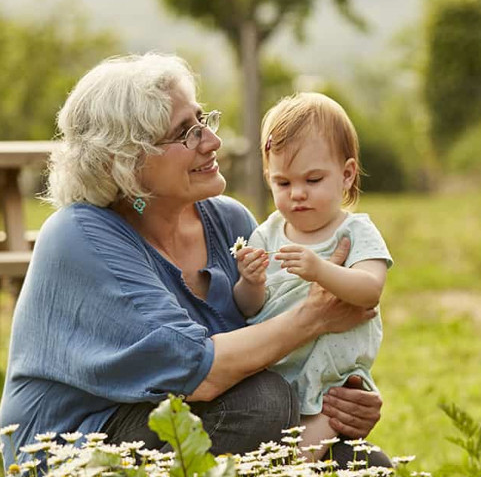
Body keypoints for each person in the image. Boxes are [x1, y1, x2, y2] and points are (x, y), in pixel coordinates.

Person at [0, 54, 390, 469]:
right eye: (186, 133)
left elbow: (272, 331)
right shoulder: (79, 235)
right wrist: (315, 317)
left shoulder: (229, 221)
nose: (212, 141)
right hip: (76, 446)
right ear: (127, 161)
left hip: (195, 419)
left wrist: (344, 393)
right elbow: (199, 374)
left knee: (365, 464)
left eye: (203, 121)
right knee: (263, 403)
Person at [233, 92, 391, 455]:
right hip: (276, 372)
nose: (298, 194)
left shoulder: (355, 232)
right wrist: (251, 282)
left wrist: (320, 269)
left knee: (297, 455)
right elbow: (248, 309)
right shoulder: (267, 232)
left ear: (347, 175)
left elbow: (369, 291)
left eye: (313, 180)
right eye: (283, 184)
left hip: (331, 382)